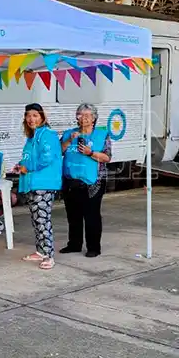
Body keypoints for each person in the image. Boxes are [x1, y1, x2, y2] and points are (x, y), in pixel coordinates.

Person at [59, 103, 112, 258]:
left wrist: (90, 153)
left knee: (91, 215)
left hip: (93, 183)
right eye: (80, 115)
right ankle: (74, 244)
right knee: (73, 215)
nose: (83, 118)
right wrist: (69, 140)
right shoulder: (70, 133)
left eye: (87, 115)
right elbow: (59, 151)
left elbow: (107, 157)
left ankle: (93, 247)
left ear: (94, 118)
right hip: (70, 181)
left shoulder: (102, 135)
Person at [14, 103, 62, 270]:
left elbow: (47, 158)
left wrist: (29, 167)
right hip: (32, 183)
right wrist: (21, 165)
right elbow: (29, 158)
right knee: (36, 219)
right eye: (28, 115)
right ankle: (41, 251)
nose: (31, 119)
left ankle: (49, 255)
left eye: (35, 115)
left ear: (42, 117)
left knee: (42, 219)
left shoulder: (47, 134)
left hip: (44, 183)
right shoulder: (32, 137)